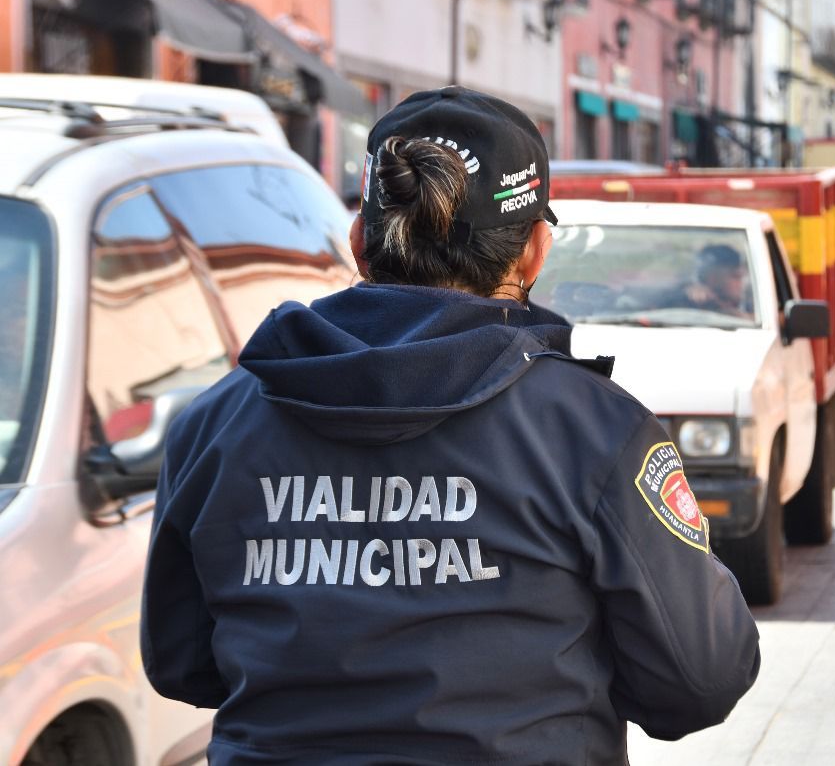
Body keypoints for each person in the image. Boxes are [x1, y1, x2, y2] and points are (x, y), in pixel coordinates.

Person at [140, 86, 761, 764]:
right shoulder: (594, 432)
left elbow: (181, 664)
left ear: (359, 241)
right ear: (535, 251)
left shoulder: (215, 423)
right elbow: (700, 680)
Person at [664, 243, 751, 318]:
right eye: (735, 276)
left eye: (742, 276)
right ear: (712, 279)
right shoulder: (685, 299)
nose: (742, 282)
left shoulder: (751, 304)